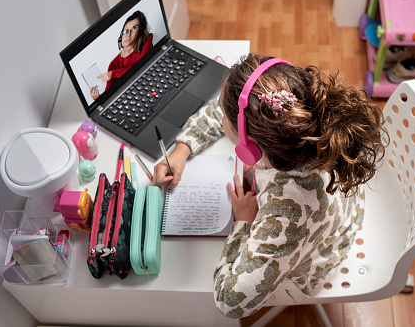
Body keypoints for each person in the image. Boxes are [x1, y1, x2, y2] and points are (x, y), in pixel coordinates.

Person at [153, 54, 387, 318]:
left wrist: (244, 221)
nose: (221, 120)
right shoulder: (307, 122)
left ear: (251, 145)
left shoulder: (287, 214)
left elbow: (229, 302)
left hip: (314, 260)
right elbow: (224, 108)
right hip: (334, 215)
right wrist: (182, 150)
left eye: (226, 121)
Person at [90, 11, 153, 99]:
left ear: (140, 31)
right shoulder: (113, 64)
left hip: (148, 87)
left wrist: (114, 74)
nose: (128, 34)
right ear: (121, 36)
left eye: (134, 28)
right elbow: (108, 96)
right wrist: (97, 98)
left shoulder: (147, 40)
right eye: (126, 31)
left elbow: (141, 70)